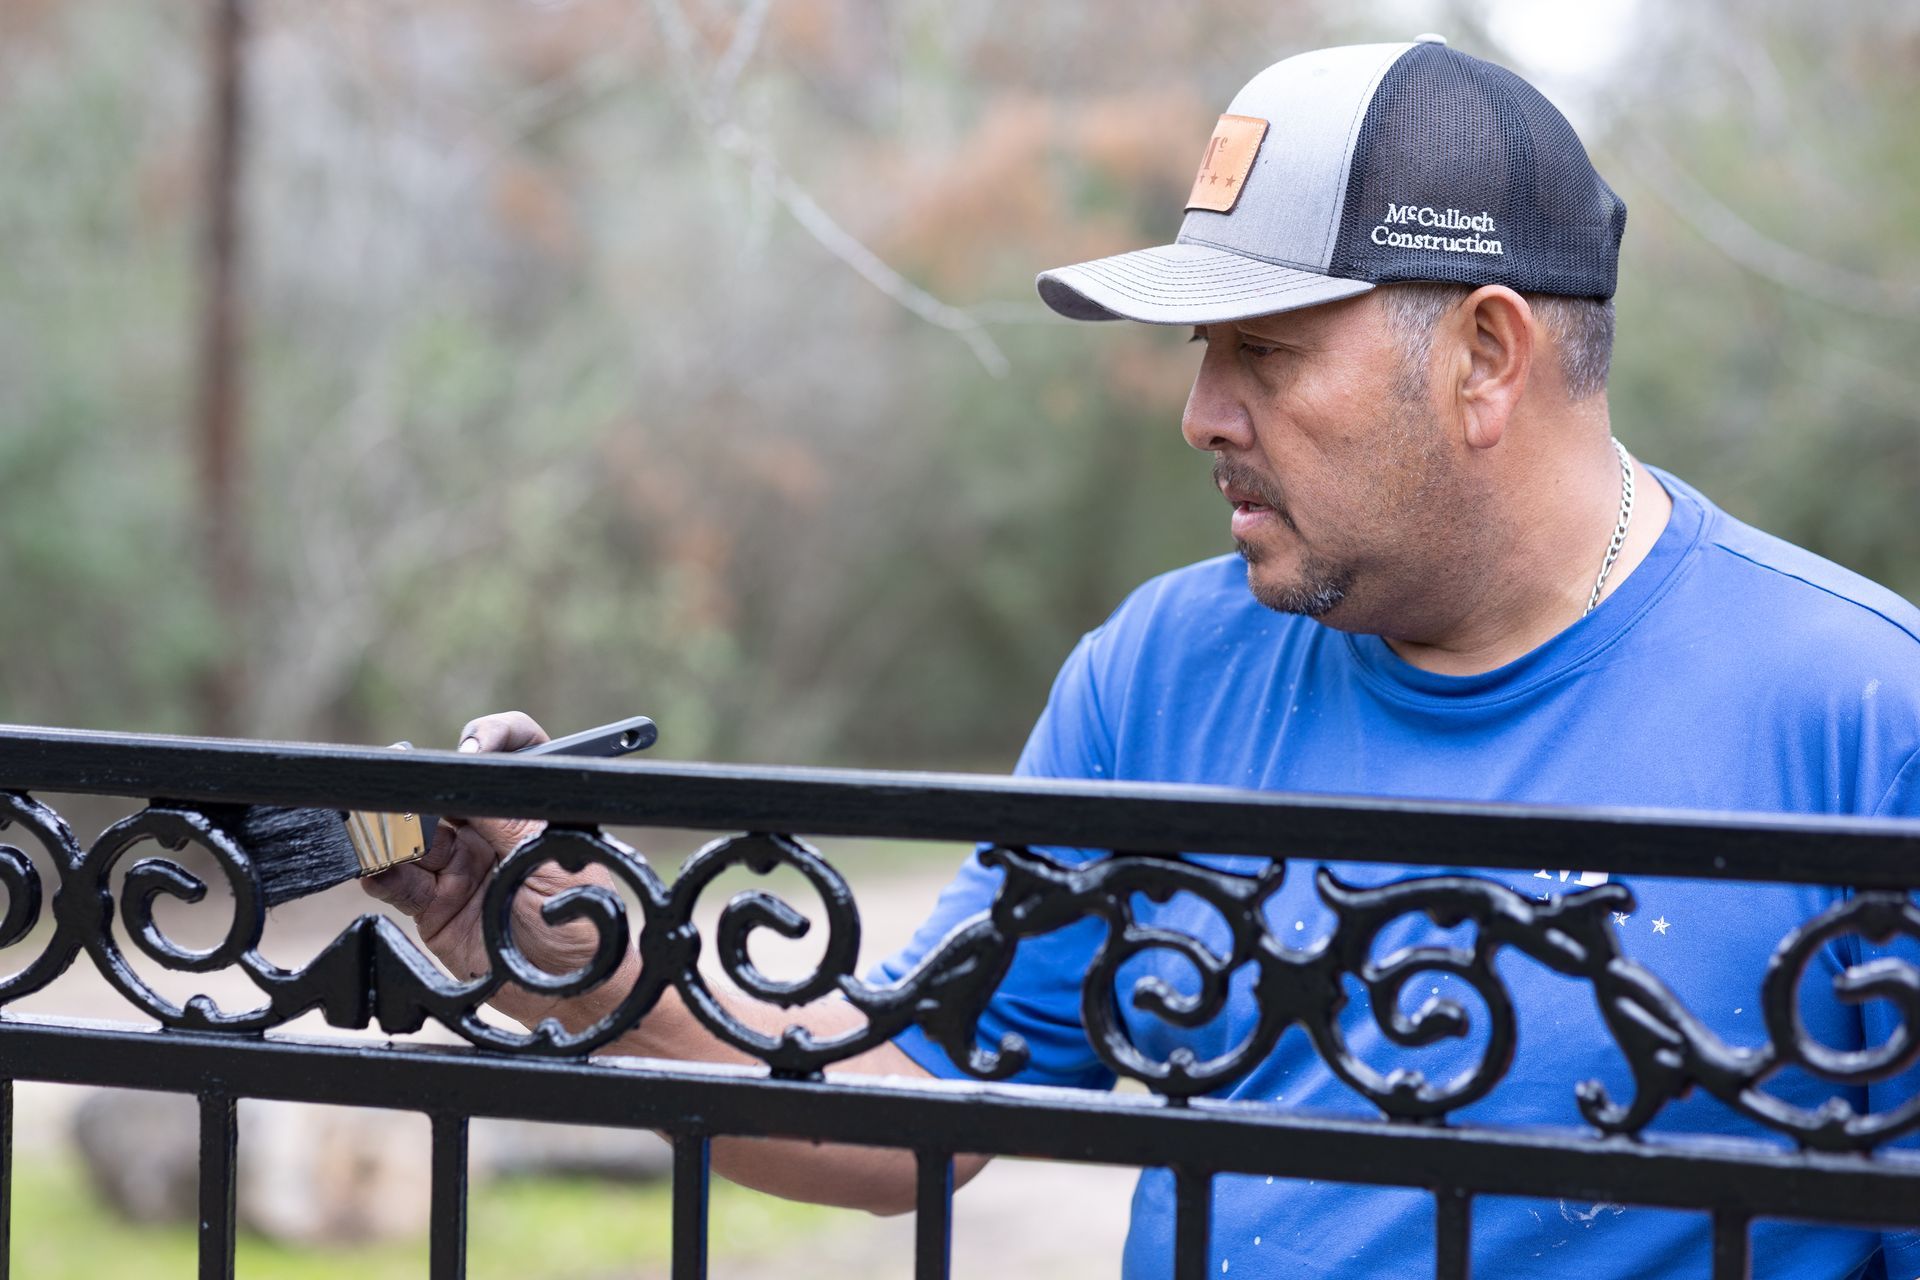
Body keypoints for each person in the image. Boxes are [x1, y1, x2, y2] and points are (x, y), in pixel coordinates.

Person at [366, 36, 1920, 1279]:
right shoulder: (1165, 672)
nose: (1203, 419)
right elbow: (900, 1122)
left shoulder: (1862, 720)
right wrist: (582, 959)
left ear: (1488, 358)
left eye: (1266, 353)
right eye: (1201, 357)